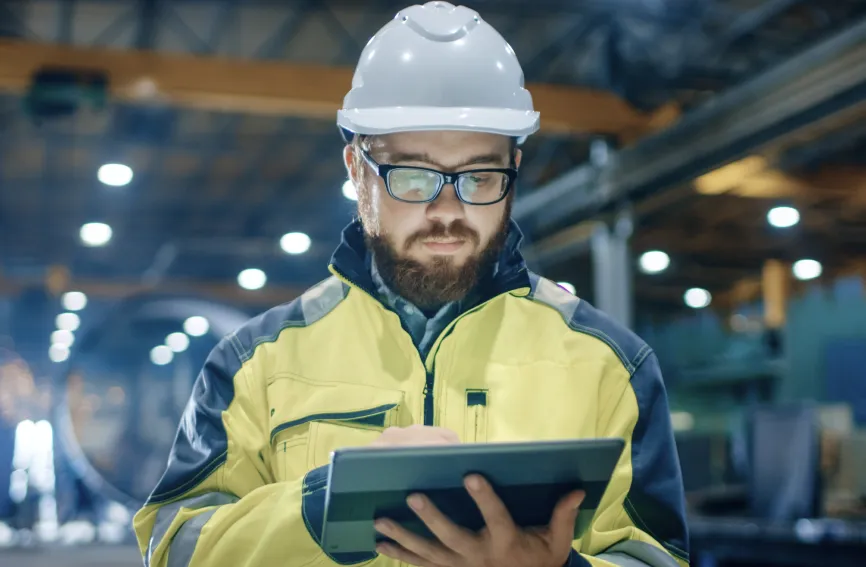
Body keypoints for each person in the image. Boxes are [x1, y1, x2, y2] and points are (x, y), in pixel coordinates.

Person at [133, 3, 689, 567]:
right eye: (414, 176)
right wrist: (318, 507)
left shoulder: (610, 365)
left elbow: (656, 557)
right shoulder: (255, 364)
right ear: (356, 169)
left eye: (479, 176)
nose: (447, 210)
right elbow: (174, 547)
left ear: (513, 167)